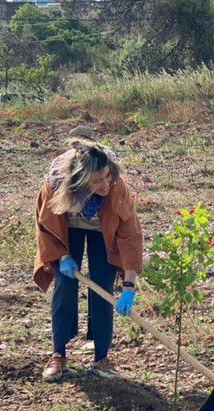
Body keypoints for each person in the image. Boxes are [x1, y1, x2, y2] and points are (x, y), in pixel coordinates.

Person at [34, 126, 143, 381]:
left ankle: (102, 357)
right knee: (66, 284)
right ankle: (58, 354)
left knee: (101, 285)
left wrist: (129, 286)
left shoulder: (116, 186)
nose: (104, 184)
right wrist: (62, 256)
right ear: (80, 181)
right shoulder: (56, 185)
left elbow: (129, 235)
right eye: (96, 181)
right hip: (67, 227)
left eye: (106, 177)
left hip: (102, 229)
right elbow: (46, 224)